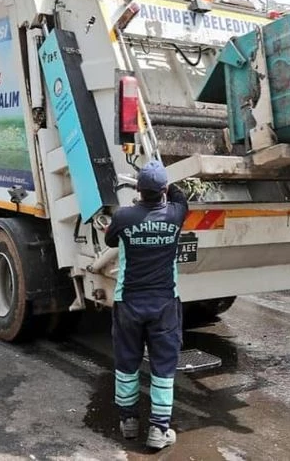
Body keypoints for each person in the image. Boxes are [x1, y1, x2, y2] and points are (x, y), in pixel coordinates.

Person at [104, 159, 189, 450]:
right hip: (164, 303)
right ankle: (159, 429)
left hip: (128, 302)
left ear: (138, 190)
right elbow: (180, 197)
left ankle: (128, 421)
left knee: (127, 362)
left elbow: (110, 241)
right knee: (163, 366)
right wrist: (167, 183)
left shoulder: (124, 217)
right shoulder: (175, 214)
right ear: (163, 190)